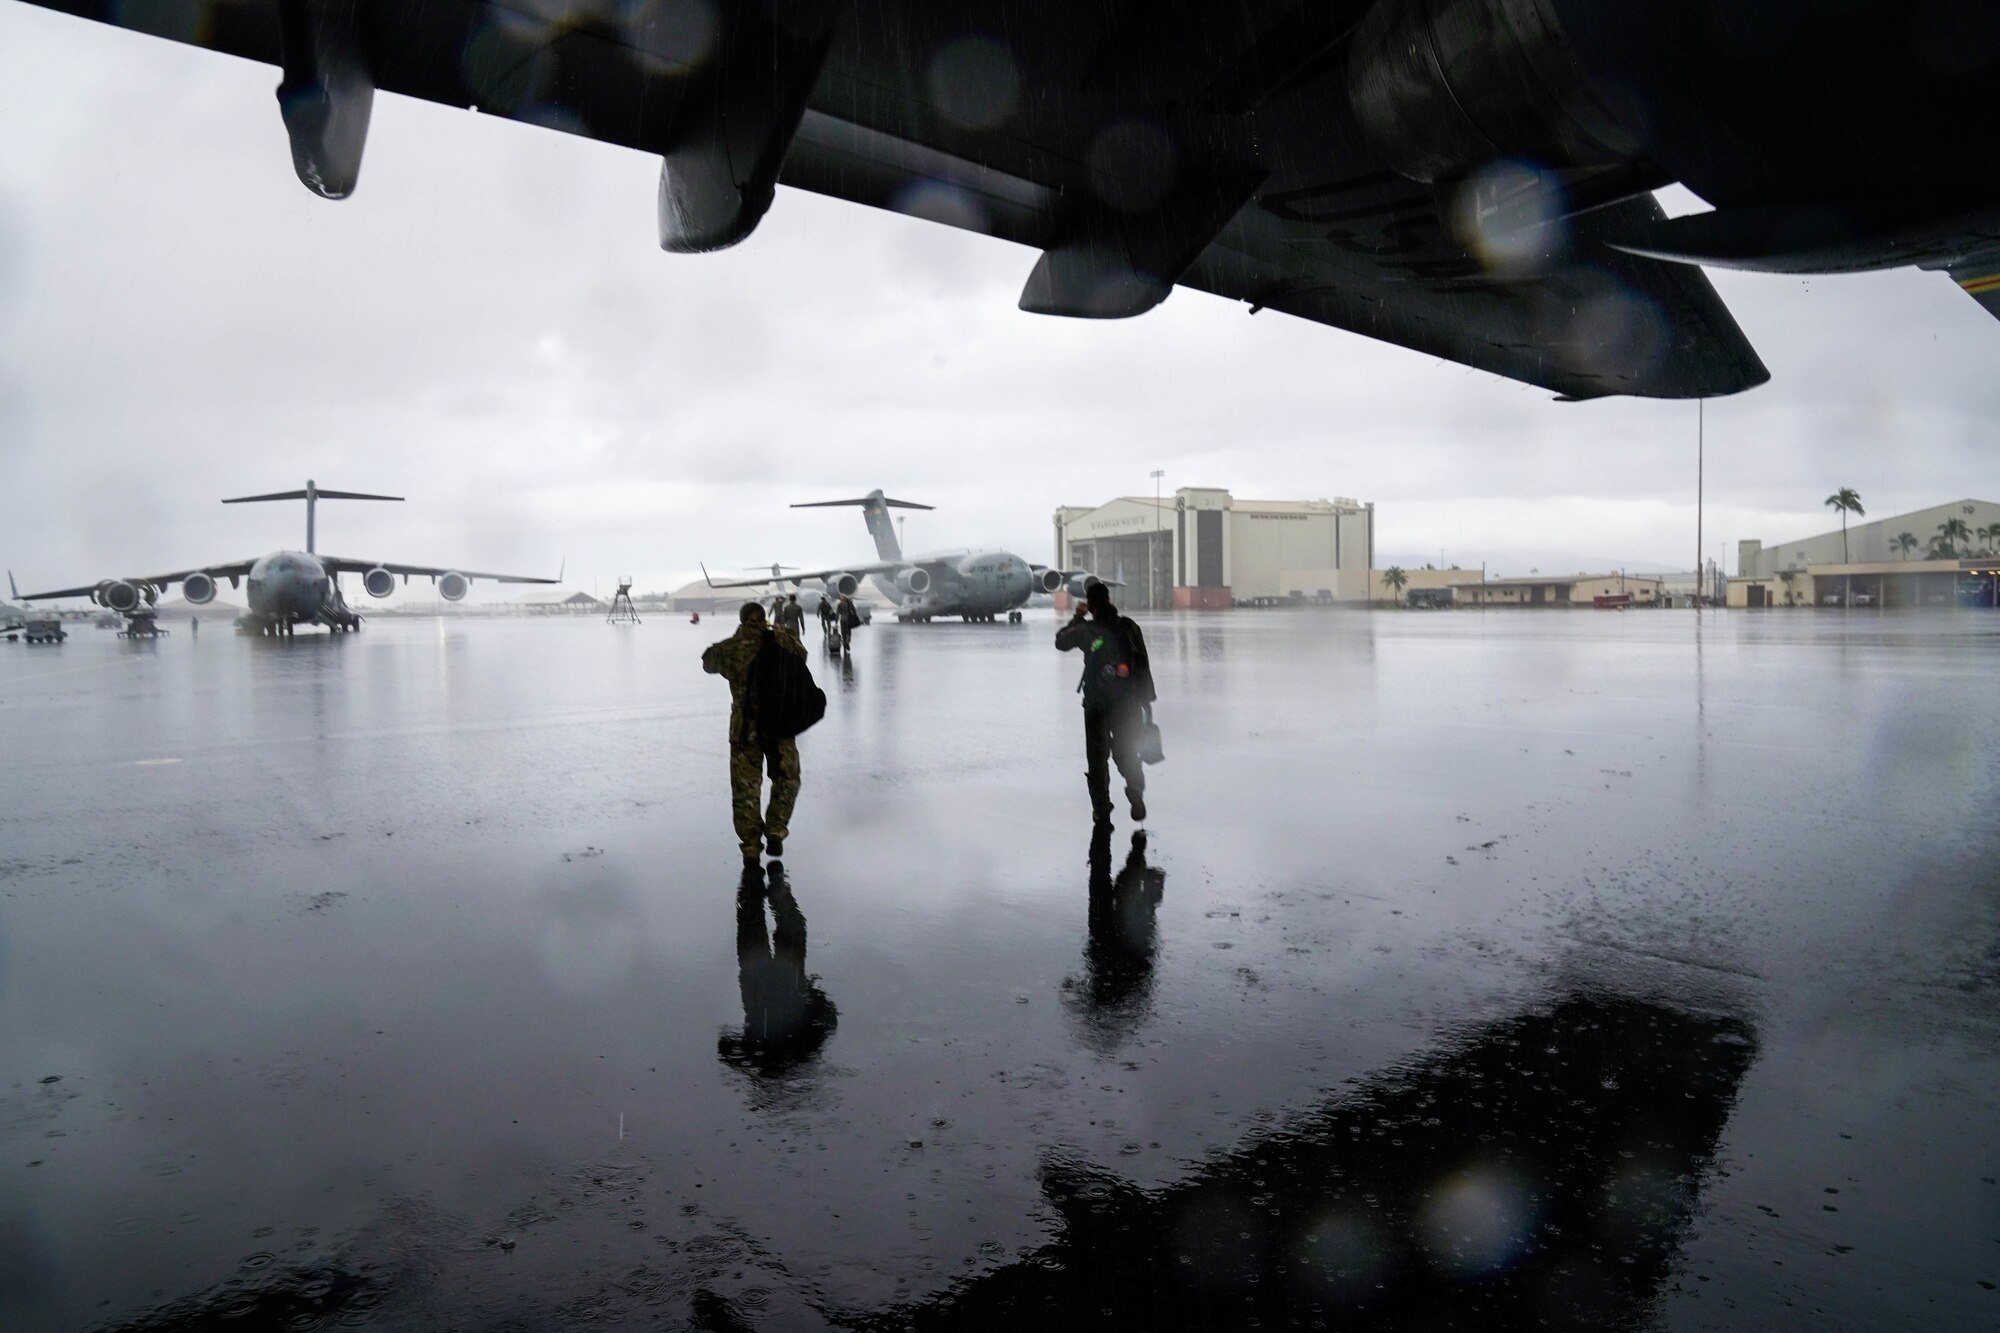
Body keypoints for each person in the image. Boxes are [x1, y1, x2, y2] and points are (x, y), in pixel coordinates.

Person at [702, 602, 808, 863]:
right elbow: (802, 655)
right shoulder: (781, 641)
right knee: (787, 778)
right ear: (764, 619)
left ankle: (750, 845)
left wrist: (738, 637)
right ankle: (775, 829)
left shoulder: (731, 648)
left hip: (744, 728)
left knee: (745, 788)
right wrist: (781, 632)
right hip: (779, 726)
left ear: (742, 620)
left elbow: (708, 662)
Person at [1055, 581, 1154, 824]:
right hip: (1127, 702)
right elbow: (1142, 665)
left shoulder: (1088, 630)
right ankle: (1135, 792)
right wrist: (1146, 700)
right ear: (1109, 600)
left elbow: (1061, 642)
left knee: (1097, 759)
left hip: (1097, 704)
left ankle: (1101, 809)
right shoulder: (1130, 627)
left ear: (1090, 604)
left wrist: (1077, 617)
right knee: (1126, 750)